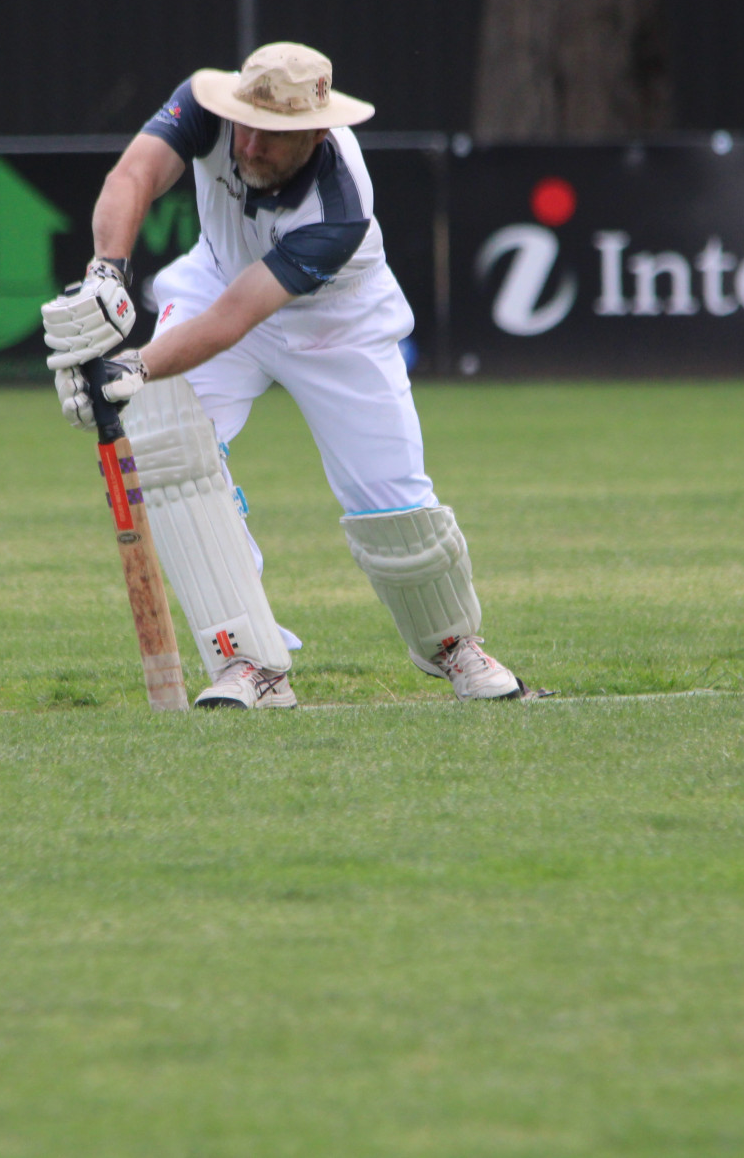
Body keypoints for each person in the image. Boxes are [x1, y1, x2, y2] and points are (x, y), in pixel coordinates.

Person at [42, 42, 525, 710]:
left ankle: (453, 645)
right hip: (217, 278)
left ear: (317, 134)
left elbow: (235, 321)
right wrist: (107, 272)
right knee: (166, 446)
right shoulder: (205, 107)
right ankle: (249, 661)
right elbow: (133, 175)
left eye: (272, 136)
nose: (249, 145)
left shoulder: (338, 207)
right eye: (245, 125)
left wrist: (135, 364)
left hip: (336, 323)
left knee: (393, 502)